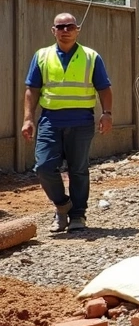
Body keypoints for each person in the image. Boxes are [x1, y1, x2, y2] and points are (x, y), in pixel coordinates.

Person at [20, 12, 113, 232]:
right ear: (53, 31)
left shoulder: (91, 56)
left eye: (69, 26)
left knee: (78, 170)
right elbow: (32, 89)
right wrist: (28, 119)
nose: (65, 31)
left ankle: (78, 215)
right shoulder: (42, 56)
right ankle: (62, 205)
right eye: (60, 27)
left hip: (81, 121)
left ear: (77, 30)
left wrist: (107, 113)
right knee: (44, 167)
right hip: (50, 121)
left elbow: (104, 88)